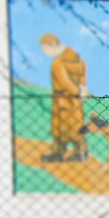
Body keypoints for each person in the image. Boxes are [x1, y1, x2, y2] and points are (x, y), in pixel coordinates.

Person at [39, 34, 88, 162]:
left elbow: (65, 82)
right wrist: (81, 89)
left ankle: (60, 153)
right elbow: (82, 73)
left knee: (60, 128)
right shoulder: (76, 57)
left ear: (52, 45)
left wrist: (76, 90)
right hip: (75, 99)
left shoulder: (58, 63)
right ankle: (79, 152)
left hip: (62, 99)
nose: (45, 52)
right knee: (76, 125)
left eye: (45, 49)